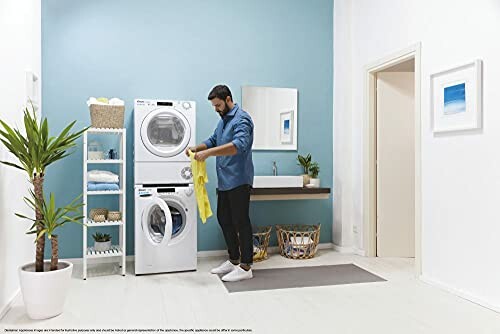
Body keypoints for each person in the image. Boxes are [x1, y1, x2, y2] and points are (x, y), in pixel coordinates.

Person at [186, 84, 254, 282]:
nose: (216, 109)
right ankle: (233, 260)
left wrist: (207, 154)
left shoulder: (242, 119)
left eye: (218, 105)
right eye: (214, 106)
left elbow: (238, 146)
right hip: (225, 181)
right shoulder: (223, 121)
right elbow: (214, 140)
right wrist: (196, 148)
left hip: (239, 179)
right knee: (224, 219)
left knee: (241, 222)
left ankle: (246, 266)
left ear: (228, 99)